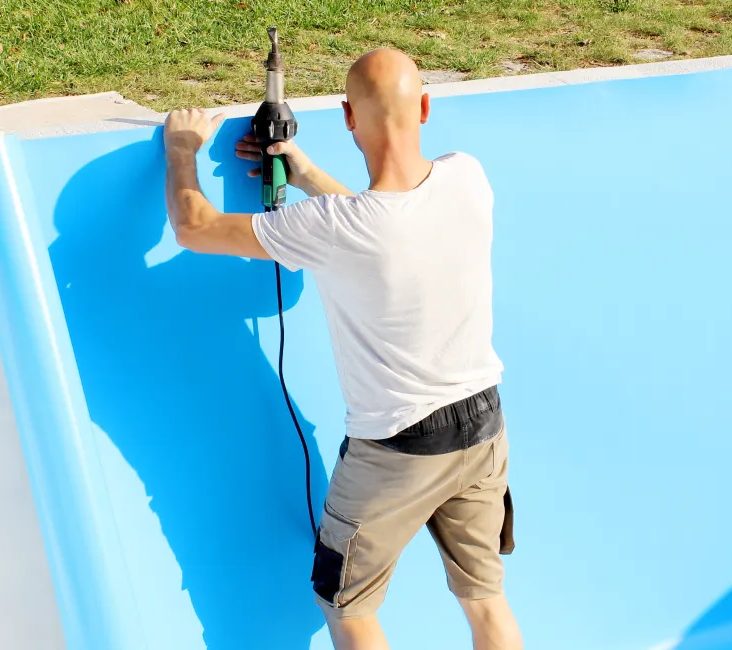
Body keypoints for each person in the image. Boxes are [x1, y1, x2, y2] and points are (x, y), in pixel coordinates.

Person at [161, 48, 523, 650]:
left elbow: (194, 227)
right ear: (426, 107)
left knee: (348, 606)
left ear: (348, 117)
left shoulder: (334, 227)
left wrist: (182, 150)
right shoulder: (467, 176)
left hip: (397, 448)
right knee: (485, 600)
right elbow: (384, 223)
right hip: (484, 429)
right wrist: (301, 172)